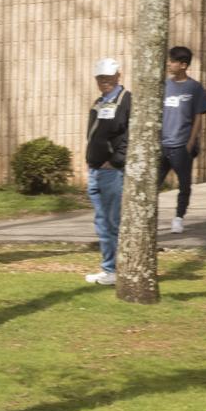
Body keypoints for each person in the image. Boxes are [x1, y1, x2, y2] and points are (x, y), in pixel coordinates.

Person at [83, 57, 131, 284]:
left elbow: (128, 136)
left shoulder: (125, 101)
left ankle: (116, 269)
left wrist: (115, 161)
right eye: (100, 77)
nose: (104, 81)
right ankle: (108, 267)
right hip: (95, 170)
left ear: (118, 76)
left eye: (108, 77)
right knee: (102, 222)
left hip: (111, 172)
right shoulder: (99, 102)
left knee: (112, 222)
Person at [158, 46, 206, 234]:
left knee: (184, 185)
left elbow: (198, 117)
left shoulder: (195, 88)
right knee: (153, 184)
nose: (169, 64)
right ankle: (150, 217)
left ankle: (178, 218)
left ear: (183, 65)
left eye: (172, 61)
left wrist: (190, 143)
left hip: (182, 146)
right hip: (163, 145)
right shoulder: (164, 86)